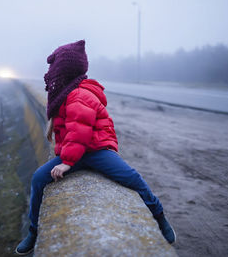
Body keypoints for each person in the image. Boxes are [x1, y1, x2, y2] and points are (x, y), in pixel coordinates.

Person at [15, 40, 176, 255]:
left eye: (54, 70)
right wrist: (68, 157)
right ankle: (33, 232)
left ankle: (159, 216)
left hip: (97, 149)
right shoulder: (63, 94)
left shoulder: (79, 95)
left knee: (130, 176)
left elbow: (79, 132)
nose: (50, 74)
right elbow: (70, 135)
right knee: (38, 178)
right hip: (75, 152)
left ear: (65, 72)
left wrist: (66, 163)